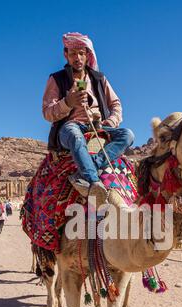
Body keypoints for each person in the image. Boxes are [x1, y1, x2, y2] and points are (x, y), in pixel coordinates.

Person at [42, 32, 135, 206]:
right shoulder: (56, 79)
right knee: (75, 136)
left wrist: (112, 121)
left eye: (81, 53)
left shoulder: (99, 79)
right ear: (66, 55)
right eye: (72, 54)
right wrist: (67, 103)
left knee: (128, 135)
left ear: (87, 55)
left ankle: (90, 164)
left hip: (98, 127)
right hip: (70, 127)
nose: (77, 58)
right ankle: (94, 182)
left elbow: (116, 104)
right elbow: (47, 112)